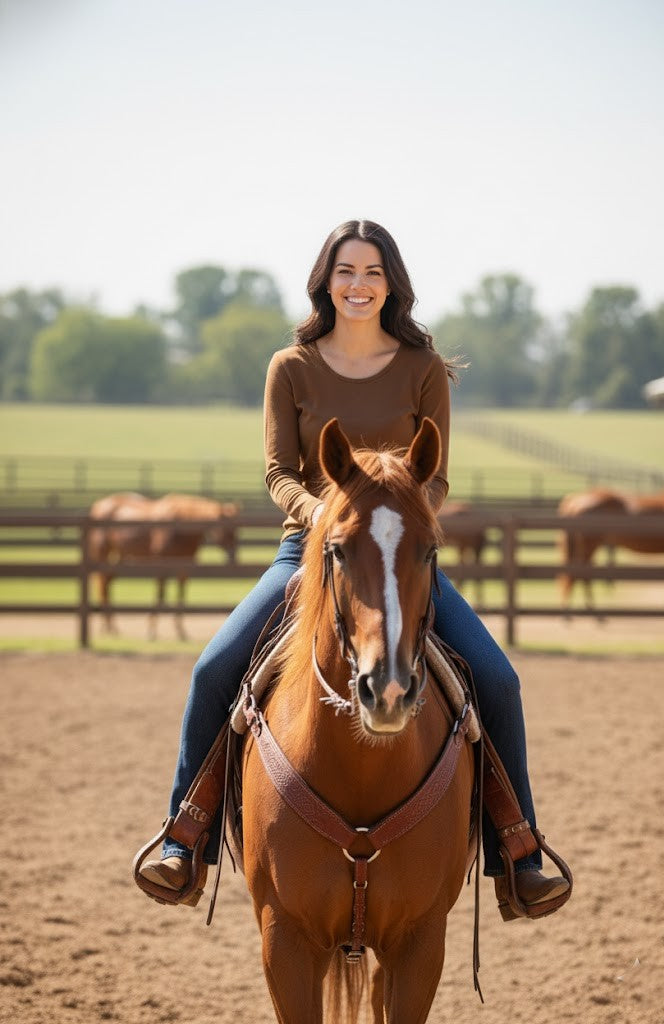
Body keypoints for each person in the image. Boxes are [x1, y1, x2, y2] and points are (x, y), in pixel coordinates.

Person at [139, 219, 569, 918]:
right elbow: (279, 473)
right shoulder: (292, 366)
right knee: (212, 669)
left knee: (497, 678)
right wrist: (323, 519)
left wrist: (397, 522)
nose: (358, 285)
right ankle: (183, 841)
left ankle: (517, 854)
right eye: (345, 271)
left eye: (371, 272)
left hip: (400, 556)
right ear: (325, 281)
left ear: (390, 283)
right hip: (308, 551)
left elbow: (435, 482)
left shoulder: (423, 370)